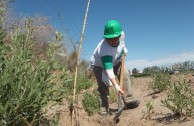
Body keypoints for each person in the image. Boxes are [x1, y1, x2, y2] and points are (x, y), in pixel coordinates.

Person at [90, 19, 140, 116]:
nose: (113, 41)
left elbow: (122, 44)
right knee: (103, 85)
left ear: (119, 35)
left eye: (115, 38)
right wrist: (116, 86)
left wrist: (124, 50)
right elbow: (109, 70)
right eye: (109, 39)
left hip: (115, 60)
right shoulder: (104, 49)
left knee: (125, 73)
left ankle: (129, 101)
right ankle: (104, 108)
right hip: (99, 65)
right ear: (105, 37)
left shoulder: (121, 35)